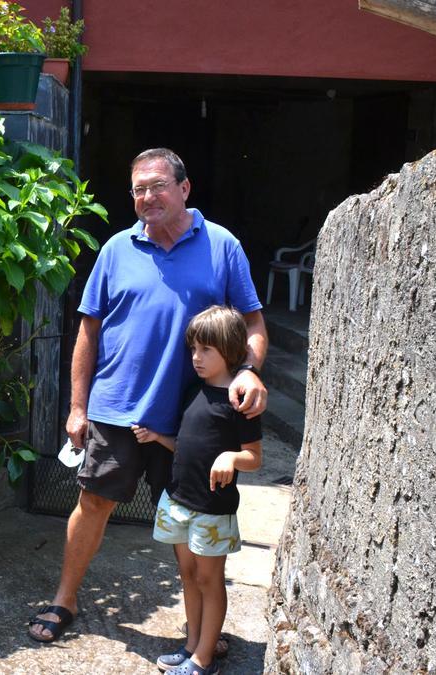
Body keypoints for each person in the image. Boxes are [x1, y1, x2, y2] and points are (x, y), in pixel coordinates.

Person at [27, 148, 268, 643]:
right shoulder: (117, 248)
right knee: (92, 503)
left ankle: (198, 625)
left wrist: (248, 370)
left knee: (186, 517)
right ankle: (63, 599)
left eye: (157, 185)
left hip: (188, 417)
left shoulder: (221, 245)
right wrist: (77, 407)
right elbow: (88, 332)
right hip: (115, 407)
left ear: (184, 189)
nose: (146, 196)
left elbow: (253, 324)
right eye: (138, 188)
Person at [134, 305, 262, 674]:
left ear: (231, 349)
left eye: (206, 350)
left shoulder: (241, 404)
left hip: (212, 507)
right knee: (187, 575)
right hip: (178, 500)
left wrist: (232, 458)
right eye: (193, 349)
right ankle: (192, 645)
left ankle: (205, 658)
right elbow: (189, 445)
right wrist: (160, 438)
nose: (196, 357)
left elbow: (254, 457)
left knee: (209, 578)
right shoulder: (193, 391)